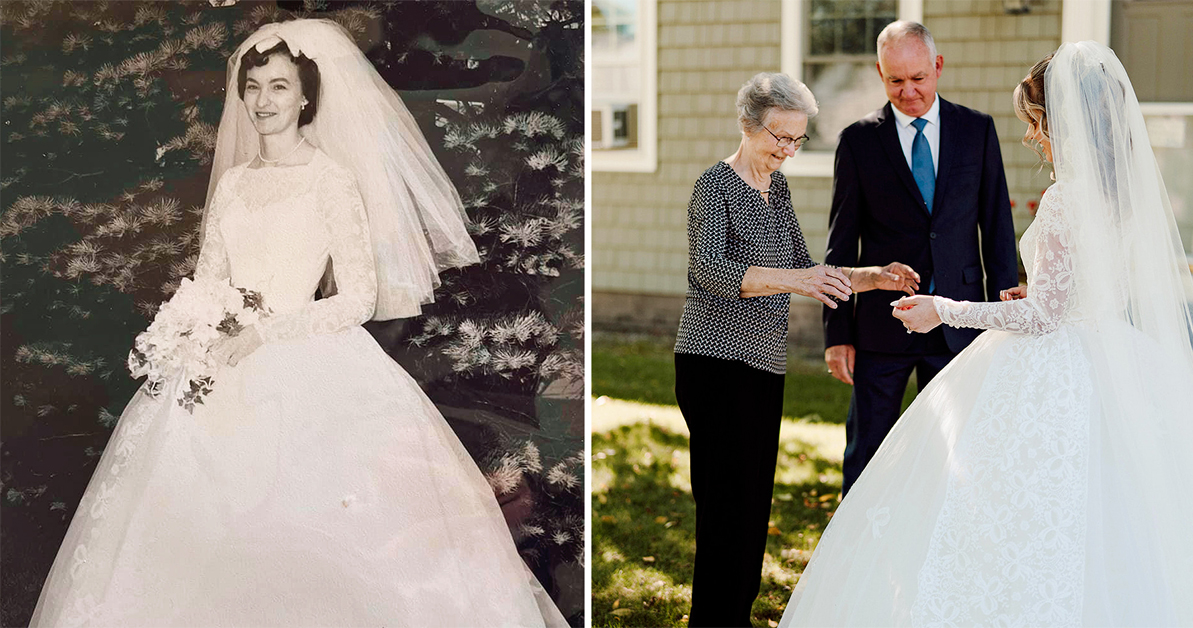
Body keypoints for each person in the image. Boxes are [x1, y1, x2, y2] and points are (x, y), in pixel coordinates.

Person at [29, 20, 568, 627]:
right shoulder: (234, 183)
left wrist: (264, 332)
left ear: (305, 96)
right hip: (219, 359)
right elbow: (210, 276)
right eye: (253, 87)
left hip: (306, 359)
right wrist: (189, 328)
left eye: (279, 87)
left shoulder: (331, 180)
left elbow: (358, 298)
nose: (263, 102)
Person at [780, 41, 1193, 625]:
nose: (1035, 138)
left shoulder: (1064, 200)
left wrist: (944, 309)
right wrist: (1041, 293)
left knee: (1008, 511)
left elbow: (1044, 319)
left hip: (1058, 370)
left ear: (1065, 123)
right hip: (1109, 353)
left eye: (1039, 124)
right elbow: (1081, 292)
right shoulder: (1120, 199)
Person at [672, 72, 919, 628]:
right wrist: (797, 281)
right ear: (747, 125)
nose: (785, 150)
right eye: (777, 137)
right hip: (715, 361)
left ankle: (734, 615)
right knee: (725, 510)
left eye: (796, 139)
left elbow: (806, 271)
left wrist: (872, 277)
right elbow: (709, 273)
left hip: (762, 363)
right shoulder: (716, 185)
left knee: (753, 506)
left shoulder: (775, 189)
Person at [822, 21, 1018, 495]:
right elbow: (841, 246)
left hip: (960, 320)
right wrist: (838, 334)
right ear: (880, 73)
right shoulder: (858, 141)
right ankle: (859, 554)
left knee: (959, 450)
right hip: (880, 328)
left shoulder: (977, 130)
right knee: (867, 451)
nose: (908, 91)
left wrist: (1005, 314)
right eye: (895, 80)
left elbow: (996, 228)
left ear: (938, 66)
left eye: (918, 78)